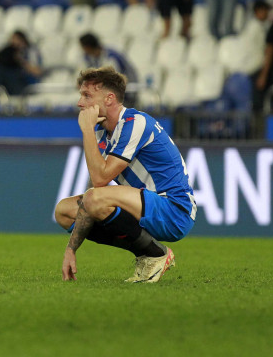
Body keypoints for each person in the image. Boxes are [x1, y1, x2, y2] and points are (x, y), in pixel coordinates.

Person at [55, 66, 196, 282]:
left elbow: (100, 181)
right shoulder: (103, 131)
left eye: (87, 95)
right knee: (64, 211)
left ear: (109, 98)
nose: (80, 102)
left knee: (93, 199)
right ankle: (150, 252)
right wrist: (71, 249)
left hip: (174, 211)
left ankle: (154, 254)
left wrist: (86, 130)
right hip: (143, 207)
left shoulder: (134, 122)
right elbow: (96, 187)